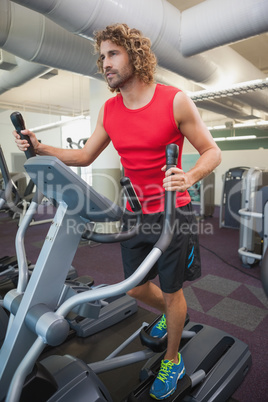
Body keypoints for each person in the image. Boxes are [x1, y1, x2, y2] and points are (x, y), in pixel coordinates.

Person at [14, 23, 221, 400]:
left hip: (174, 213)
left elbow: (212, 151)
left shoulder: (174, 100)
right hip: (134, 212)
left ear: (134, 55)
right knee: (137, 286)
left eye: (112, 54)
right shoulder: (110, 110)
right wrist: (40, 147)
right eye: (102, 56)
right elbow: (85, 155)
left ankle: (172, 361)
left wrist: (190, 175)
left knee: (173, 290)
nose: (104, 63)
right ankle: (173, 317)